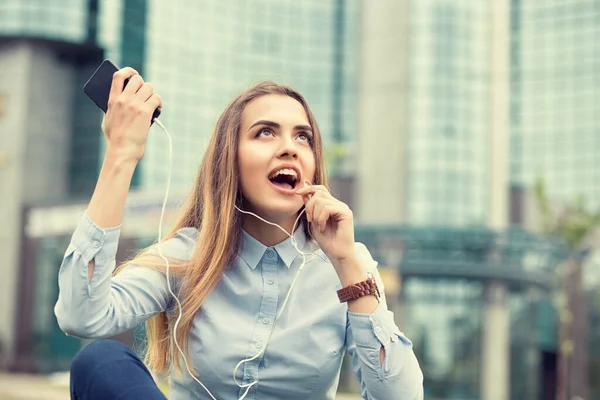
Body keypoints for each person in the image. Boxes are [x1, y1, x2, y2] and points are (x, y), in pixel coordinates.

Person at [54, 66, 423, 400]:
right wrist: (122, 154)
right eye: (265, 133)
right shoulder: (186, 256)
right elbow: (81, 315)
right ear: (229, 158)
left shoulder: (349, 267)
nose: (289, 149)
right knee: (101, 360)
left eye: (303, 138)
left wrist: (346, 264)